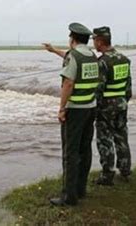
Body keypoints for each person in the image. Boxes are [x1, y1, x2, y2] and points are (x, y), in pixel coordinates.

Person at [49, 23, 99, 206]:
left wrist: (62, 108)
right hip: (90, 108)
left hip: (75, 110)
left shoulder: (74, 56)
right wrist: (54, 50)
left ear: (73, 39)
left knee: (70, 152)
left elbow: (68, 83)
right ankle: (81, 189)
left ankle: (69, 196)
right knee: (85, 150)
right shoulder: (92, 56)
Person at [92, 26, 132, 185]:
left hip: (106, 107)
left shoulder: (102, 62)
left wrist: (95, 107)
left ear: (100, 41)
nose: (94, 43)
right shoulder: (124, 58)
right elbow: (128, 86)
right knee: (122, 137)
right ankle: (125, 169)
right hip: (122, 104)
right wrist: (124, 100)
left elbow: (98, 88)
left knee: (105, 140)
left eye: (94, 40)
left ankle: (107, 174)